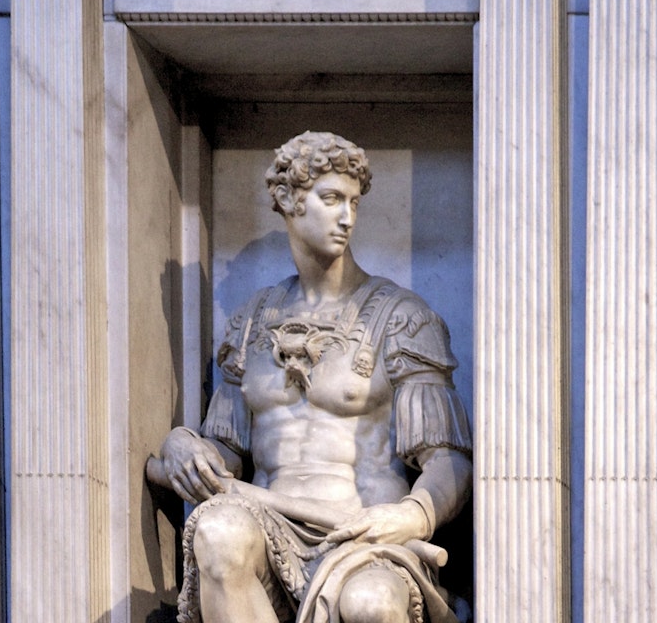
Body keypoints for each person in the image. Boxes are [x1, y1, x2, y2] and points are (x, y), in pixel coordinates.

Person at [150, 131, 472, 623]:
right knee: (218, 532)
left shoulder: (401, 318)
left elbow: (447, 459)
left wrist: (412, 514)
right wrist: (181, 443)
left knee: (370, 604)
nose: (346, 217)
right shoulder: (252, 321)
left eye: (354, 203)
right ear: (288, 201)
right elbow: (226, 456)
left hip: (362, 537)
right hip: (266, 528)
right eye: (331, 199)